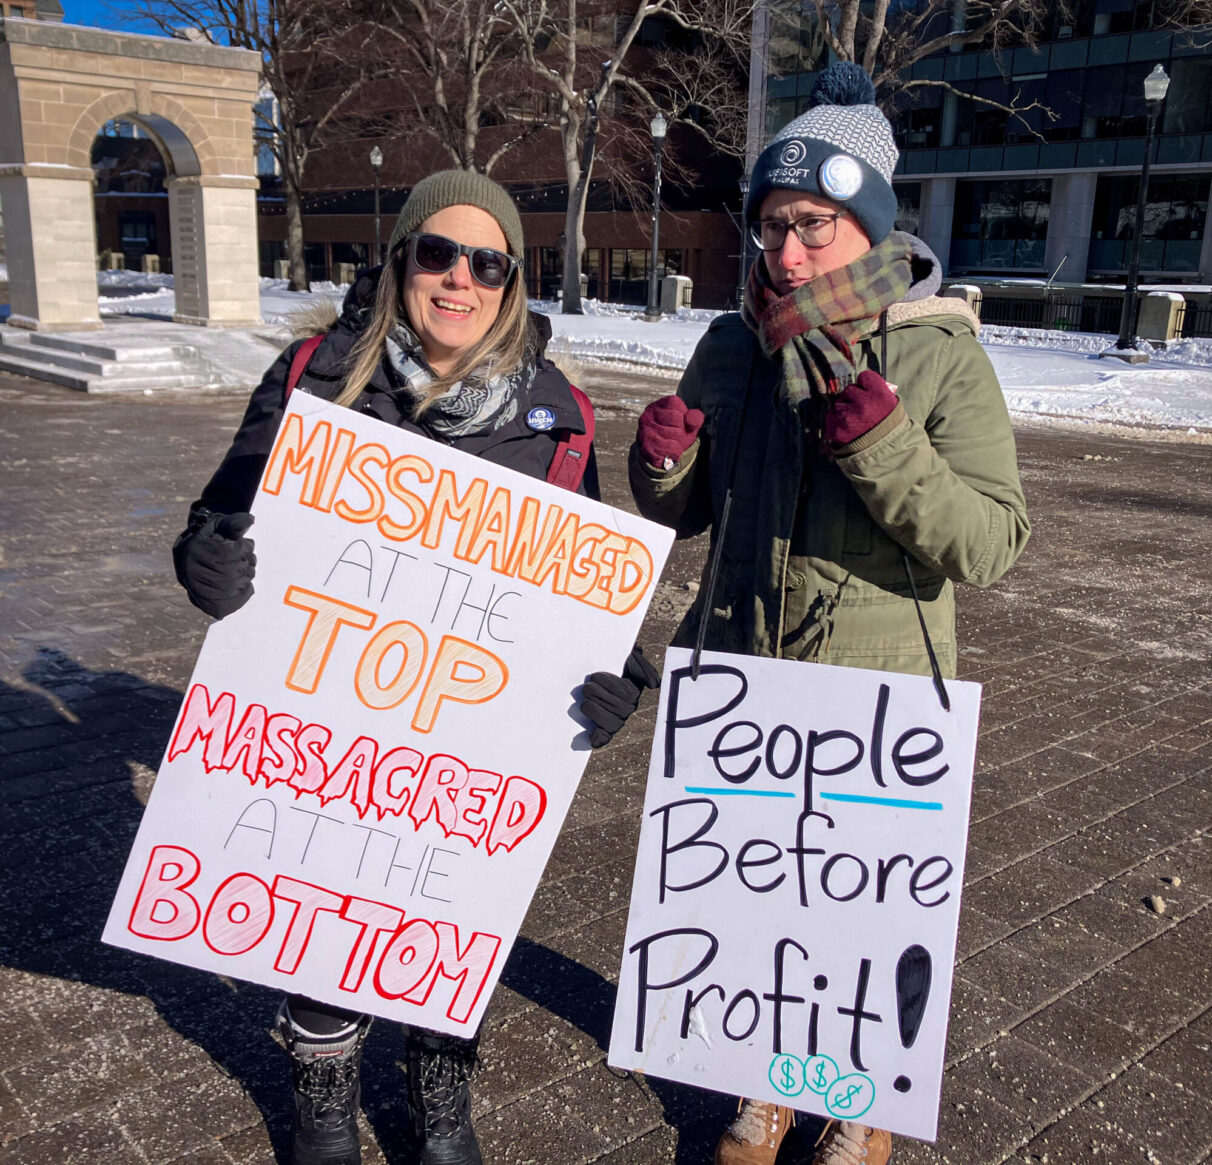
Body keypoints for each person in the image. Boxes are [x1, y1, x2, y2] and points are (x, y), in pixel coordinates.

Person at [171, 170, 659, 1165]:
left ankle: (441, 1086)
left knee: (454, 908)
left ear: (512, 281)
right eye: (436, 252)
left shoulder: (558, 417)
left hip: (473, 730)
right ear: (399, 258)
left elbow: (593, 592)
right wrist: (206, 560)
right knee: (324, 893)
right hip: (333, 711)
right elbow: (219, 511)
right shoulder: (315, 371)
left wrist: (619, 679)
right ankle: (322, 1085)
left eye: (487, 263)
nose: (458, 279)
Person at [628, 63, 1030, 1165]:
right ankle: (764, 1082)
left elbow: (992, 540)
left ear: (867, 223)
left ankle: (859, 1099)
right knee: (756, 900)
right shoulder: (733, 346)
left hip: (877, 694)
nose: (785, 255)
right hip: (742, 671)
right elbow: (691, 504)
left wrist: (883, 445)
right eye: (769, 228)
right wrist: (661, 465)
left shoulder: (941, 352)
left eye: (809, 225)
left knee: (857, 913)